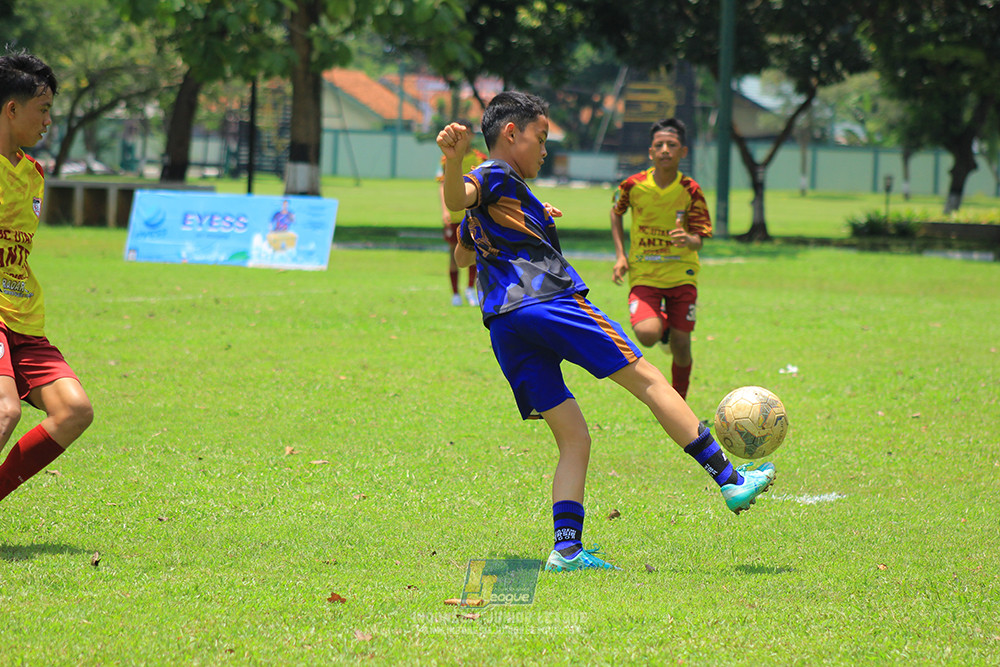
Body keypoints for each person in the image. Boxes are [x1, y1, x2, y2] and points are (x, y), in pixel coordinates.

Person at [438, 92, 775, 573]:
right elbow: (457, 198)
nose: (545, 150)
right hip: (548, 302)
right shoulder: (492, 173)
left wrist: (529, 216)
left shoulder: (507, 192)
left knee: (574, 437)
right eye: (541, 138)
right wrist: (454, 164)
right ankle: (729, 478)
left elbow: (464, 256)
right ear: (511, 134)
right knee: (649, 380)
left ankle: (567, 550)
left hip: (505, 325)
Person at [0, 49, 93, 504]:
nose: (48, 122)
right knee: (5, 412)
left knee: (75, 410)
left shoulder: (33, 174)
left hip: (24, 320)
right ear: (11, 109)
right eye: (43, 110)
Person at [610, 118, 710, 401]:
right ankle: (662, 328)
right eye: (659, 145)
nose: (665, 149)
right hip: (645, 273)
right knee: (647, 334)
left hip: (681, 273)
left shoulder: (691, 190)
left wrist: (689, 240)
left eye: (672, 145)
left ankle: (679, 401)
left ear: (683, 152)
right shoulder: (633, 185)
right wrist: (620, 255)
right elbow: (616, 211)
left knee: (682, 344)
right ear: (651, 152)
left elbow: (701, 233)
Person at [437, 123, 486, 306]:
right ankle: (455, 293)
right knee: (452, 253)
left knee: (473, 251)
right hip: (454, 215)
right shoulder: (445, 159)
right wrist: (444, 210)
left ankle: (469, 289)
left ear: (471, 136)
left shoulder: (480, 158)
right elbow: (442, 186)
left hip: (472, 215)